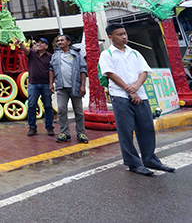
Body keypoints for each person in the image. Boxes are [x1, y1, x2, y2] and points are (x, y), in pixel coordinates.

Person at [98, 23, 175, 175]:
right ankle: (133, 163)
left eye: (124, 33)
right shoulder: (107, 54)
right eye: (119, 34)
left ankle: (150, 159)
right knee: (126, 131)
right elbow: (111, 74)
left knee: (146, 128)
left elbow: (144, 71)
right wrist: (129, 90)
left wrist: (136, 86)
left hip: (141, 95)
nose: (124, 37)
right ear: (110, 36)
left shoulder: (135, 53)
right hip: (120, 96)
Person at [49, 34, 88, 144]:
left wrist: (83, 86)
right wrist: (51, 84)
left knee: (79, 111)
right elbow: (51, 69)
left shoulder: (76, 54)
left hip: (75, 87)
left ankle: (81, 133)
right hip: (61, 87)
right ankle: (65, 133)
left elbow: (83, 70)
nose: (59, 42)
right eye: (58, 41)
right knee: (62, 110)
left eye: (62, 40)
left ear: (68, 42)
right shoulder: (55, 56)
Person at [15, 37, 54, 136]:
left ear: (46, 46)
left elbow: (52, 71)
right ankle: (32, 127)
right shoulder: (32, 53)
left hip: (45, 85)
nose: (39, 44)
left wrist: (51, 84)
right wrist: (20, 44)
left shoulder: (50, 56)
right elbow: (25, 49)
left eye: (42, 43)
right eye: (38, 42)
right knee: (31, 106)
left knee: (48, 106)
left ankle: (49, 127)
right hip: (33, 84)